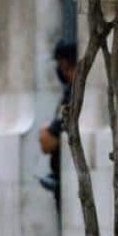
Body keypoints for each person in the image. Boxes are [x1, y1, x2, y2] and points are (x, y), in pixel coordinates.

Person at [39, 41, 76, 208]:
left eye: (63, 65)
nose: (61, 71)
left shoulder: (73, 95)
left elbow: (48, 142)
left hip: (69, 180)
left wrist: (46, 131)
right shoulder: (69, 93)